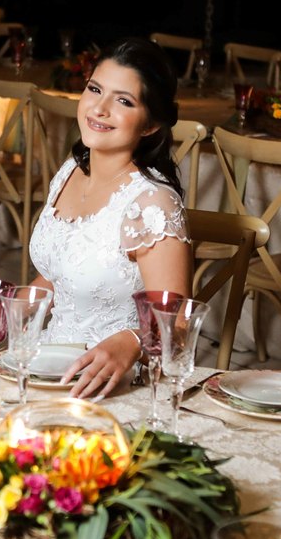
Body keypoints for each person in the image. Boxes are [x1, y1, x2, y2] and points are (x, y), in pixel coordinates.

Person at [28, 37, 193, 399]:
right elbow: (61, 274)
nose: (99, 109)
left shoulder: (152, 205)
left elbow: (178, 324)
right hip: (49, 365)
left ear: (150, 125)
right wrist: (7, 312)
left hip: (115, 382)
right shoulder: (71, 171)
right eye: (95, 89)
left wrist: (131, 342)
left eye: (123, 101)